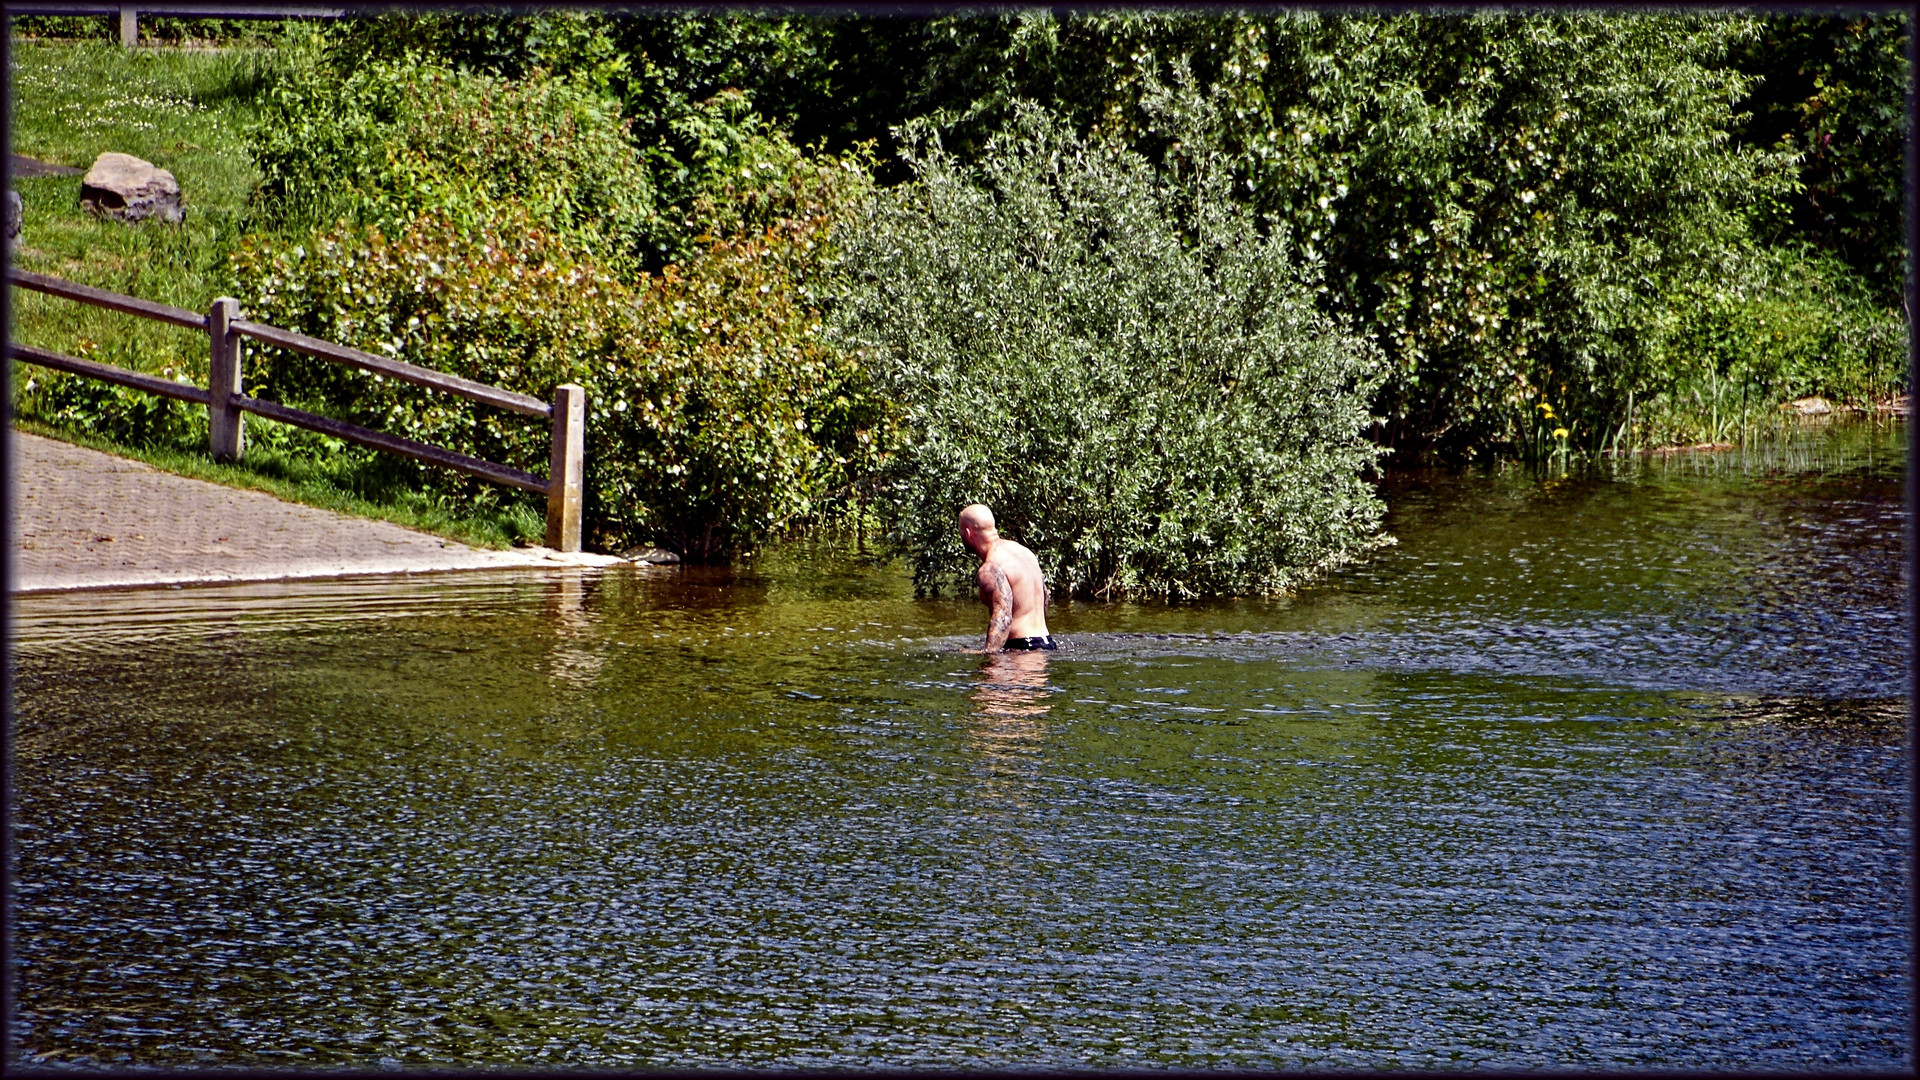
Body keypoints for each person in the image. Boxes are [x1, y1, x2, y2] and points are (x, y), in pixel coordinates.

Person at [958, 503, 1054, 651]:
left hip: (1021, 648)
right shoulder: (1023, 552)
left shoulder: (990, 568)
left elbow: (1003, 616)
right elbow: (1045, 596)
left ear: (968, 533)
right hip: (1046, 642)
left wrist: (987, 652)